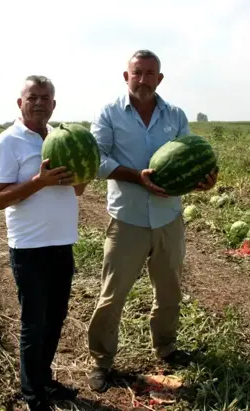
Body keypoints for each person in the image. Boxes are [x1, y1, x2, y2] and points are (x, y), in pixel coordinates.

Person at [86, 50, 218, 392]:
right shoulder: (109, 113)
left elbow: (191, 152)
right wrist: (136, 176)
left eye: (150, 74)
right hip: (127, 218)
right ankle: (101, 361)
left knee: (169, 289)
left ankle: (167, 348)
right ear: (126, 76)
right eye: (137, 72)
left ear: (160, 79)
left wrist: (203, 180)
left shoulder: (174, 115)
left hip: (168, 217)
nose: (143, 79)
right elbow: (96, 158)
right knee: (112, 294)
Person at [0, 75, 86, 410]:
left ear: (54, 104)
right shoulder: (8, 141)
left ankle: (44, 379)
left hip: (63, 242)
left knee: (56, 316)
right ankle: (31, 393)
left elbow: (77, 189)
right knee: (34, 322)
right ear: (21, 103)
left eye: (46, 98)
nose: (40, 102)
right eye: (33, 97)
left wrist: (81, 175)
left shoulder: (62, 139)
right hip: (29, 246)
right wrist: (39, 181)